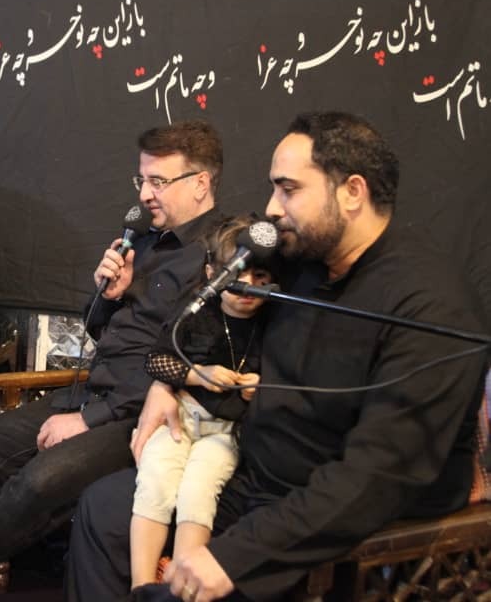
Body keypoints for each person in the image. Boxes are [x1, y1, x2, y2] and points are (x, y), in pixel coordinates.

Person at [68, 111, 489, 602]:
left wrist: (235, 557)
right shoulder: (298, 258)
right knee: (101, 510)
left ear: (352, 192)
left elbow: (377, 477)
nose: (271, 208)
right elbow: (207, 296)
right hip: (248, 476)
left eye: (288, 189)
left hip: (332, 517)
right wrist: (168, 381)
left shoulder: (431, 304)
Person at [0, 120, 226, 599]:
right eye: (142, 180)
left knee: (39, 482)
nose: (145, 194)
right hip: (93, 391)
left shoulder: (218, 254)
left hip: (142, 416)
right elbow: (102, 331)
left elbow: (189, 361)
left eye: (158, 181)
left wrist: (88, 420)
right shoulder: (143, 242)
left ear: (201, 182)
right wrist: (108, 296)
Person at [131, 215, 271, 588]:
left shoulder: (273, 322)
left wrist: (260, 386)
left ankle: (181, 585)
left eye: (260, 276)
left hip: (226, 431)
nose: (248, 285)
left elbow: (285, 378)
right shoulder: (196, 309)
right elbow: (155, 360)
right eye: (235, 273)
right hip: (182, 415)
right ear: (211, 273)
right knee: (155, 481)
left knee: (199, 489)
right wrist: (198, 374)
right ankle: (141, 587)